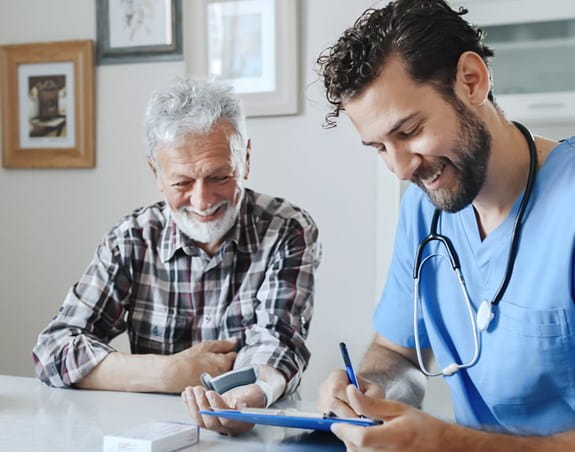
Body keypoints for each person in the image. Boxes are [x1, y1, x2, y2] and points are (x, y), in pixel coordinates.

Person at [315, 0, 575, 450]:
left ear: (471, 81)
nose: (398, 169)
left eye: (409, 130)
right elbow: (398, 354)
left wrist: (447, 443)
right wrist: (372, 394)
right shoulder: (425, 210)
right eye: (378, 147)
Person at [33, 77, 321, 436]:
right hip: (149, 435)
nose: (203, 202)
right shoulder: (132, 238)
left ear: (245, 159)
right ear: (156, 172)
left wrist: (251, 397)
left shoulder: (287, 229)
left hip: (258, 431)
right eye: (182, 183)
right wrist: (169, 372)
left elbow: (278, 341)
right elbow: (54, 349)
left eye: (220, 176)